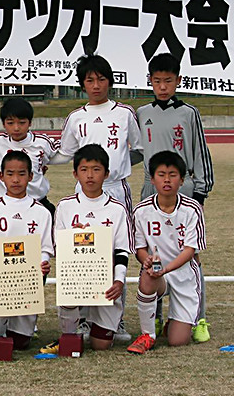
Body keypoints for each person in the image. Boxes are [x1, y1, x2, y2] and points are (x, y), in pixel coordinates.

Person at [51, 54, 141, 341]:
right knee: (83, 253)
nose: (96, 85)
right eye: (89, 80)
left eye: (101, 79)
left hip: (116, 189)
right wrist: (37, 158)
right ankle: (84, 319)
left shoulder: (125, 113)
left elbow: (137, 148)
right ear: (82, 84)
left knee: (117, 250)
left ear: (110, 81)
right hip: (84, 195)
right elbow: (65, 153)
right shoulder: (76, 117)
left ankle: (117, 319)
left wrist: (116, 170)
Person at [136, 52, 213, 342]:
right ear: (150, 82)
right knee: (151, 256)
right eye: (157, 81)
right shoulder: (142, 113)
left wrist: (201, 191)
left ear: (178, 81)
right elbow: (136, 151)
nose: (163, 87)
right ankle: (153, 319)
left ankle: (198, 317)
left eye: (169, 81)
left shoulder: (188, 113)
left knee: (190, 257)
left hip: (184, 190)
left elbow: (200, 151)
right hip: (150, 189)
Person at [41, 144, 133, 353]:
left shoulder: (117, 209)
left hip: (105, 282)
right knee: (74, 342)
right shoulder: (65, 207)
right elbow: (59, 246)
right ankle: (74, 325)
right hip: (77, 279)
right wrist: (77, 237)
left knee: (100, 346)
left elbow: (121, 250)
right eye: (84, 169)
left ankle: (104, 324)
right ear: (75, 173)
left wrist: (118, 280)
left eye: (96, 169)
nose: (90, 175)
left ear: (107, 173)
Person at [127, 151, 205, 354]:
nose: (167, 179)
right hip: (157, 274)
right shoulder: (142, 210)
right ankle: (147, 335)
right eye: (161, 174)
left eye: (172, 174)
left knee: (178, 341)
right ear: (152, 179)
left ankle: (175, 322)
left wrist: (167, 268)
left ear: (181, 179)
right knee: (147, 276)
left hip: (184, 275)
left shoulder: (192, 209)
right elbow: (139, 248)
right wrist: (149, 262)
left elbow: (190, 250)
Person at [0, 151, 53, 350]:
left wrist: (43, 263)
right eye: (10, 174)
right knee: (2, 341)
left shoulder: (41, 212)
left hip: (27, 279)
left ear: (31, 176)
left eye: (21, 174)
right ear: (1, 176)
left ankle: (22, 327)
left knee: (20, 343)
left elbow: (45, 248)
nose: (16, 179)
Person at [0, 98, 59, 215]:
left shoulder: (42, 143)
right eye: (10, 123)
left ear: (30, 122)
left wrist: (41, 166)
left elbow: (63, 154)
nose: (16, 128)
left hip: (39, 202)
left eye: (22, 123)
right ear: (3, 123)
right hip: (7, 205)